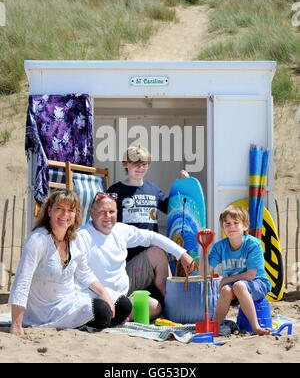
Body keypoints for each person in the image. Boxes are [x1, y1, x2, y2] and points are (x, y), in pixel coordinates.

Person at [9, 190, 132, 335]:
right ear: (49, 211)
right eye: (59, 209)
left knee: (123, 305)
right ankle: (97, 320)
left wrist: (104, 294)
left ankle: (97, 318)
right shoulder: (38, 240)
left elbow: (84, 273)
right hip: (47, 308)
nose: (65, 214)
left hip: (73, 296)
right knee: (102, 311)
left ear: (75, 214)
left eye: (70, 210)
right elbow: (22, 280)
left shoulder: (75, 239)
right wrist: (16, 324)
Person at [77, 193, 194, 319]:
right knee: (155, 307)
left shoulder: (120, 230)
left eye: (111, 211)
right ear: (92, 213)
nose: (108, 216)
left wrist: (181, 254)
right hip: (100, 295)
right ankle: (119, 314)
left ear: (117, 212)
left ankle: (173, 306)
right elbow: (81, 275)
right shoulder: (81, 236)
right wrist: (103, 295)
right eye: (102, 212)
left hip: (126, 286)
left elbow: (152, 236)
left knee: (157, 253)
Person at [107, 144, 189, 310]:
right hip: (127, 262)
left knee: (156, 305)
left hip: (151, 263)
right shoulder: (115, 191)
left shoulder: (153, 189)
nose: (140, 167)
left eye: (144, 164)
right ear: (125, 164)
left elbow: (173, 207)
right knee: (159, 252)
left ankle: (172, 304)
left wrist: (184, 183)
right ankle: (177, 308)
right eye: (135, 163)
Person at [200, 205, 272, 336]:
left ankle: (255, 327)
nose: (231, 226)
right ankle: (215, 326)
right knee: (227, 290)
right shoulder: (220, 247)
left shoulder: (253, 244)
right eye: (227, 223)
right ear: (223, 227)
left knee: (239, 285)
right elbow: (203, 273)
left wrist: (226, 279)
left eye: (236, 223)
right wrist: (204, 247)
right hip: (235, 286)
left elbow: (250, 275)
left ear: (245, 226)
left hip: (258, 283)